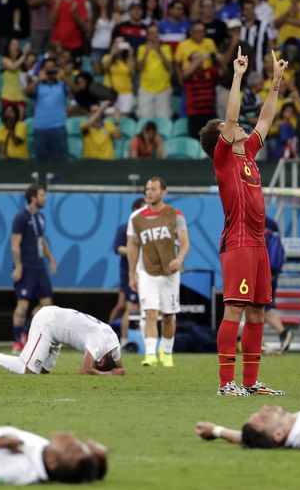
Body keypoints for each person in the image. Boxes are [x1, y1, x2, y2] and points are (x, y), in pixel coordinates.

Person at [198, 49, 287, 396]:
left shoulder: (248, 152)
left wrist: (276, 82)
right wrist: (237, 75)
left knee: (257, 313)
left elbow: (265, 118)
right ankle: (226, 383)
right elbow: (231, 116)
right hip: (238, 242)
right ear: (221, 137)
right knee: (234, 310)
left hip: (258, 242)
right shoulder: (223, 158)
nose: (236, 126)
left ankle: (250, 382)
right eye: (228, 127)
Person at [126, 177, 190, 367]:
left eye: (154, 189)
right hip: (147, 271)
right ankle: (150, 355)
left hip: (170, 272)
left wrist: (179, 259)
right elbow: (132, 245)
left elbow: (185, 242)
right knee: (150, 313)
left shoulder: (175, 214)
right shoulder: (136, 218)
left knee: (169, 316)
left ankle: (167, 353)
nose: (149, 193)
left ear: (164, 192)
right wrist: (131, 273)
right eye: (147, 189)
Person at [0, 305, 125, 376]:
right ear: (101, 362)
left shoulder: (114, 345)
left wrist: (117, 371)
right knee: (29, 370)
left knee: (42, 373)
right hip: (47, 322)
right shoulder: (98, 343)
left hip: (57, 330)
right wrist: (109, 374)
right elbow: (85, 370)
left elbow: (120, 368)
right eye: (97, 364)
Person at [10, 184, 58, 353]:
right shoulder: (20, 218)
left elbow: (41, 239)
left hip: (39, 266)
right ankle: (17, 341)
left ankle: (26, 330)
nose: (45, 199)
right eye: (42, 196)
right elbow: (15, 245)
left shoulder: (40, 217)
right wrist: (18, 266)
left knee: (46, 304)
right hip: (26, 266)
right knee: (23, 304)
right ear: (33, 198)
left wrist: (51, 259)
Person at [110, 198, 145, 348]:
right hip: (128, 273)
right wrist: (135, 251)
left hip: (144, 273)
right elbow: (118, 248)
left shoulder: (147, 228)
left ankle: (138, 341)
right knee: (129, 308)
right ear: (135, 210)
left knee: (133, 306)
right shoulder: (125, 228)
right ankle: (120, 340)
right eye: (143, 208)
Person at [26, 58, 69, 160]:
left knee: (61, 161)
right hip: (40, 127)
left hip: (58, 126)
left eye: (52, 68)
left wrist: (64, 77)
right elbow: (26, 92)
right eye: (47, 68)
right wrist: (38, 79)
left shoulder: (62, 84)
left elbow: (76, 90)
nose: (50, 71)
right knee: (42, 162)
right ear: (42, 70)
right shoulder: (38, 85)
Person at [264, 216, 293, 354]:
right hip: (272, 272)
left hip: (262, 272)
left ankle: (283, 333)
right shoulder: (272, 223)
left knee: (261, 310)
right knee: (260, 310)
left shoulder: (251, 220)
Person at [136, 24, 174, 119]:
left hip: (163, 89)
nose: (154, 35)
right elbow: (139, 68)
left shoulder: (166, 48)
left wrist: (159, 51)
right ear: (147, 35)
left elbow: (170, 67)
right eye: (151, 33)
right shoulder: (141, 48)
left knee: (164, 118)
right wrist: (146, 52)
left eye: (156, 32)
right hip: (146, 89)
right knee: (145, 118)